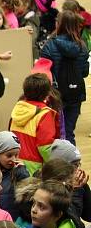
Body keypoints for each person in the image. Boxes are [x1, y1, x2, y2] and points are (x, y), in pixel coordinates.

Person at [40, 9, 89, 145]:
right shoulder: (82, 47)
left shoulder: (49, 45)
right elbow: (84, 72)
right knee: (69, 133)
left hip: (55, 95)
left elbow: (43, 72)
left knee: (54, 134)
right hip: (75, 94)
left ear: (59, 24)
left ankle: (58, 165)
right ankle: (72, 165)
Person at [10, 73, 59, 175]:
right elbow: (45, 147)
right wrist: (58, 165)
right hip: (35, 169)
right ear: (47, 93)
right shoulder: (45, 114)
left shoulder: (18, 109)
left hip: (16, 164)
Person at [0, 131, 30, 220]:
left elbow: (28, 195)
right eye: (9, 155)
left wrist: (22, 174)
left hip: (13, 220)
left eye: (16, 155)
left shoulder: (19, 172)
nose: (13, 159)